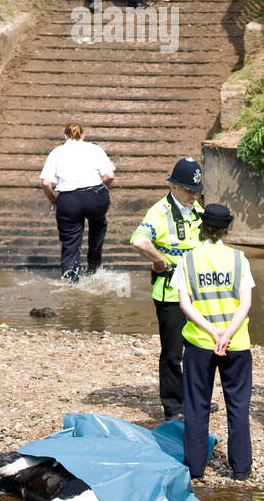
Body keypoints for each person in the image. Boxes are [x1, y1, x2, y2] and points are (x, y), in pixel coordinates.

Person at [174, 202, 254, 481]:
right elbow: (245, 303)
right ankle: (241, 468)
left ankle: (195, 469)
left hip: (200, 342)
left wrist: (212, 332)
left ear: (202, 227)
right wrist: (227, 334)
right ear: (227, 229)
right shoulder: (239, 259)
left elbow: (185, 304)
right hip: (236, 343)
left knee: (197, 405)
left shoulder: (188, 260)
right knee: (238, 405)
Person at [130, 157, 205, 419]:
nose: (193, 196)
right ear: (173, 187)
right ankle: (174, 407)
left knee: (198, 349)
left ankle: (195, 398)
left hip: (197, 293)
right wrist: (160, 260)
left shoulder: (196, 210)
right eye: (188, 190)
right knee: (173, 353)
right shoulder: (159, 212)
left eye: (196, 191)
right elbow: (138, 241)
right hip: (171, 294)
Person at [40, 122, 116, 283]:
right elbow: (109, 176)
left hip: (68, 200)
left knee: (71, 241)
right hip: (95, 197)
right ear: (83, 135)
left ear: (65, 136)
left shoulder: (56, 152)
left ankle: (71, 280)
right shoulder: (95, 148)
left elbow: (46, 183)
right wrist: (102, 189)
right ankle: (94, 269)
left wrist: (52, 199)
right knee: (98, 225)